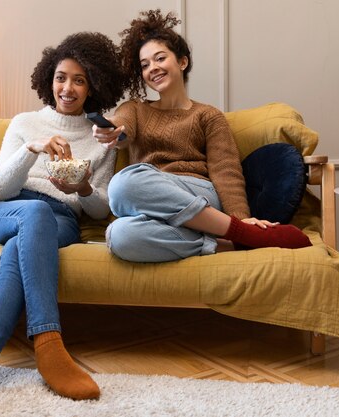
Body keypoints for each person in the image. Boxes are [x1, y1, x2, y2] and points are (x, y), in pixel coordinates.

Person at [0, 32, 127, 417]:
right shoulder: (24, 122)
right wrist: (30, 149)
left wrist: (82, 187)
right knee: (31, 216)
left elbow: (99, 211)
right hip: (9, 210)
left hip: (62, 220)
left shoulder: (102, 138)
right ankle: (49, 342)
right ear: (49, 79)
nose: (68, 88)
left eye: (79, 80)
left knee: (22, 246)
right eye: (61, 77)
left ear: (92, 86)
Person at [93, 10, 312, 263]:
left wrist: (241, 217)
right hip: (153, 201)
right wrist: (111, 129)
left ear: (182, 62)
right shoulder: (134, 109)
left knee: (123, 184)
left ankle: (241, 231)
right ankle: (229, 243)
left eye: (160, 58)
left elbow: (225, 170)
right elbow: (121, 128)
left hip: (198, 192)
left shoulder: (207, 115)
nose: (152, 68)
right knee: (120, 235)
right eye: (144, 65)